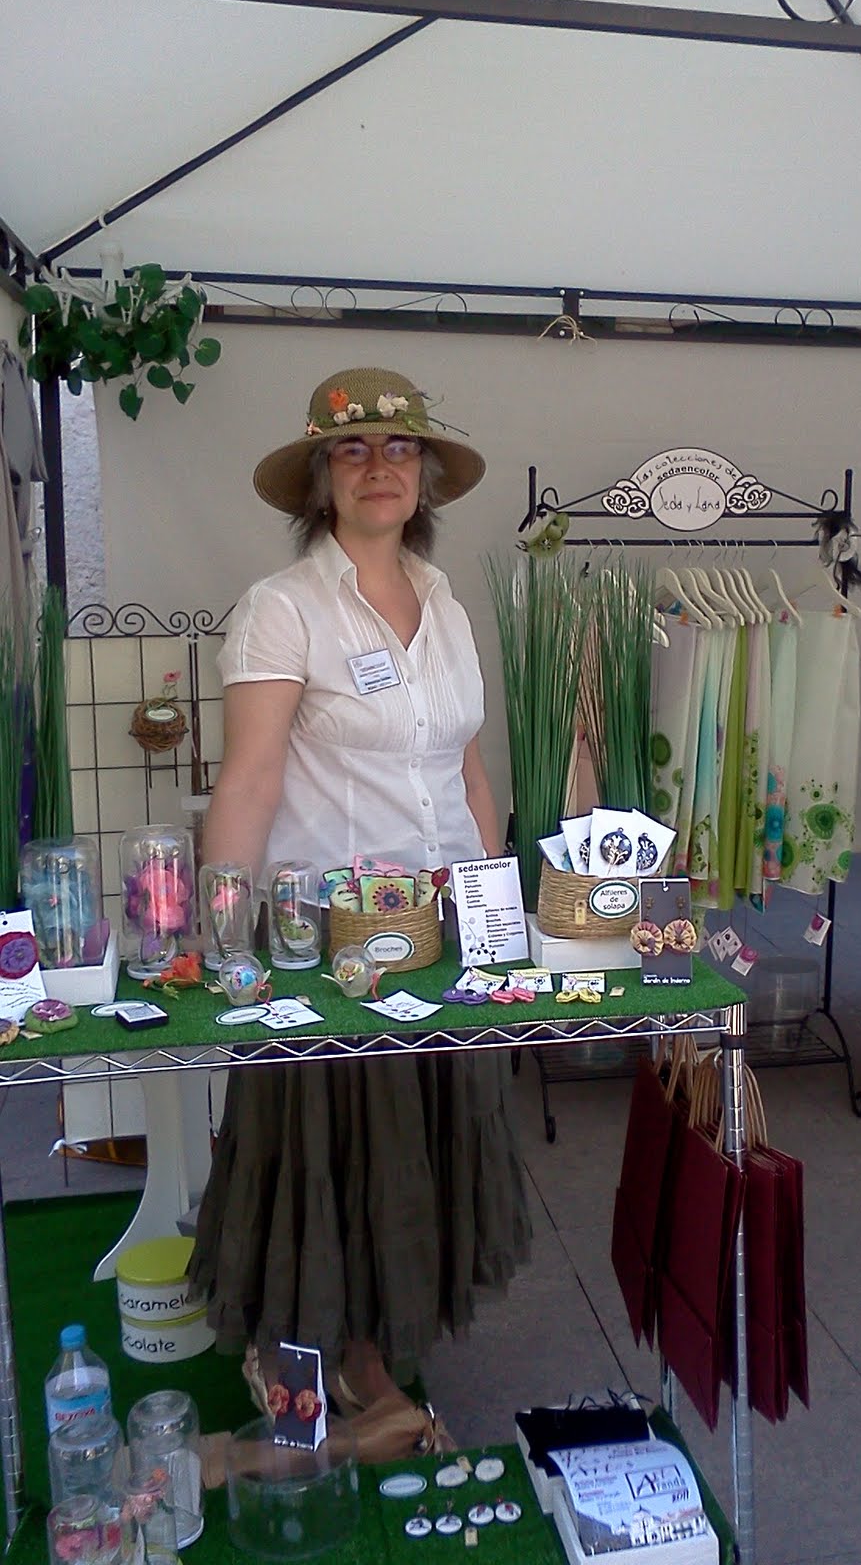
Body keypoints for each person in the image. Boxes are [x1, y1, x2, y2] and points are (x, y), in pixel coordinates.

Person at [188, 366, 531, 1408]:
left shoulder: (445, 602)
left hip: (439, 926)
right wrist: (218, 934)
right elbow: (250, 780)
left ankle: (378, 1338)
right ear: (321, 478)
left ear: (424, 475)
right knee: (330, 1142)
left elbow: (468, 770)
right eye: (353, 448)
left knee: (417, 1138)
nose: (379, 467)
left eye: (399, 448)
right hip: (328, 938)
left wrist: (494, 913)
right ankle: (295, 1341)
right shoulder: (283, 608)